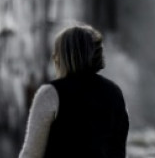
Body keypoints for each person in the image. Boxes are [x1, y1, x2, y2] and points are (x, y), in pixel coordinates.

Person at [19, 24, 129, 158]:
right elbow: (118, 150)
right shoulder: (115, 92)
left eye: (57, 52)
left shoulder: (50, 93)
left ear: (67, 56)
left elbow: (31, 154)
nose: (54, 57)